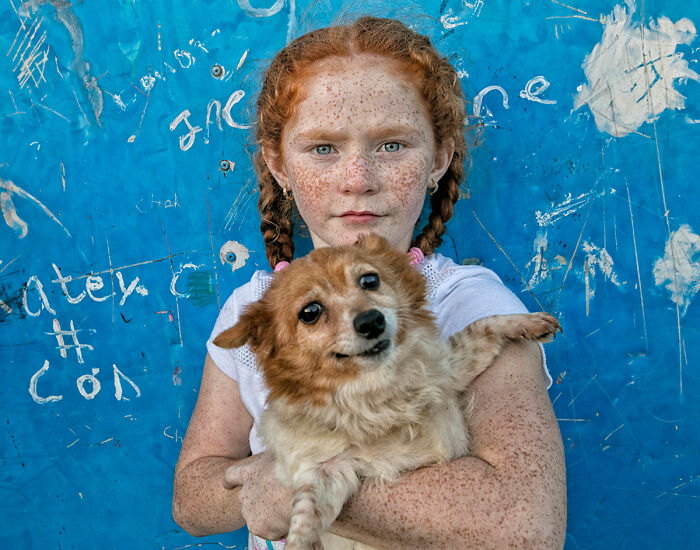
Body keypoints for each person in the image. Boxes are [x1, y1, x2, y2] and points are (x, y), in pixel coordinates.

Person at [172, 16, 566, 550]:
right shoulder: (254, 309)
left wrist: (313, 482)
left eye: (392, 145)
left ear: (439, 159)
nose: (357, 178)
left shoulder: (466, 304)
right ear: (279, 166)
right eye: (323, 149)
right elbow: (191, 498)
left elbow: (525, 525)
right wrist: (261, 482)